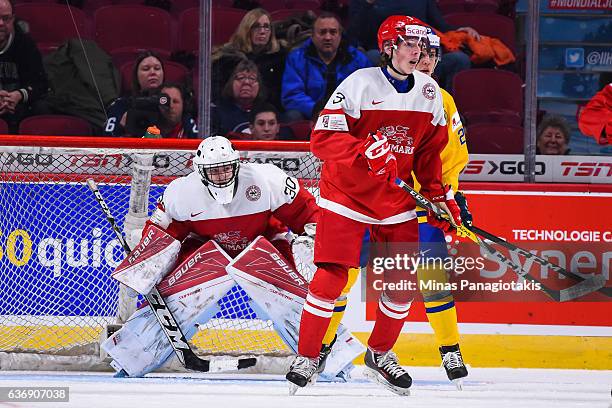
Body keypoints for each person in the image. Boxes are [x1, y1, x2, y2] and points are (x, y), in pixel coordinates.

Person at [286, 16, 463, 395]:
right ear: (389, 47)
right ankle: (307, 355)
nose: (417, 53)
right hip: (346, 197)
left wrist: (439, 199)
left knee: (401, 284)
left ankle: (380, 354)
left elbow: (429, 158)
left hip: (396, 202)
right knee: (330, 278)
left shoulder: (430, 94)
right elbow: (321, 140)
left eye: (421, 47)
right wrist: (363, 149)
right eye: (409, 45)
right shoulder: (360, 84)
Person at [347, 0, 480, 90]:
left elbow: (439, 24)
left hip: (422, 55)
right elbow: (355, 33)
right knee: (371, 57)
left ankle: (445, 109)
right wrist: (367, 5)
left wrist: (460, 30)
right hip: (387, 56)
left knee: (459, 59)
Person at [281, 11, 371, 121]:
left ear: (340, 35)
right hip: (311, 115)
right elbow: (292, 95)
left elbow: (367, 94)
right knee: (292, 115)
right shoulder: (297, 58)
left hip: (348, 115)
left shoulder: (358, 60)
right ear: (313, 36)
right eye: (322, 32)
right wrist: (317, 110)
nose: (327, 37)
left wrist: (343, 112)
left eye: (333, 32)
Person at [212, 8, 287, 111]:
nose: (262, 32)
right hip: (232, 110)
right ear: (246, 30)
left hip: (267, 111)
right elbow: (218, 93)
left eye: (266, 27)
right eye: (256, 27)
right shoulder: (227, 58)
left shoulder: (279, 58)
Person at [0, 0, 48, 133]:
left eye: (6, 18)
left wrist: (19, 95)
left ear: (13, 19)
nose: (1, 23)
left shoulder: (25, 44)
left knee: (42, 107)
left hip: (18, 105)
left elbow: (41, 84)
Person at [103, 50, 165, 136]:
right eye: (146, 69)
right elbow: (106, 138)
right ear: (136, 77)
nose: (152, 72)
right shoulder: (121, 105)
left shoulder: (172, 103)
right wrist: (121, 125)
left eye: (157, 68)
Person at [211, 59, 267, 136]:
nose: (246, 82)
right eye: (241, 78)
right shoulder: (217, 112)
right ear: (231, 83)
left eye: (252, 78)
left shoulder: (267, 112)